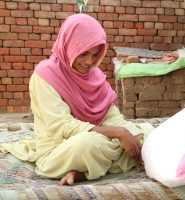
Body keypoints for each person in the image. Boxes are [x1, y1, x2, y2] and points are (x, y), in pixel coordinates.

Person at [0, 14, 154, 186]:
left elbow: (112, 118)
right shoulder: (44, 76)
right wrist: (118, 133)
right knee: (88, 145)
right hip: (60, 146)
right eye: (83, 54)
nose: (89, 62)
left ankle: (85, 171)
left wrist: (128, 133)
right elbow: (63, 126)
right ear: (68, 46)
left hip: (100, 138)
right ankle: (94, 165)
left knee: (147, 134)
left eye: (95, 55)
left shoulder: (93, 75)